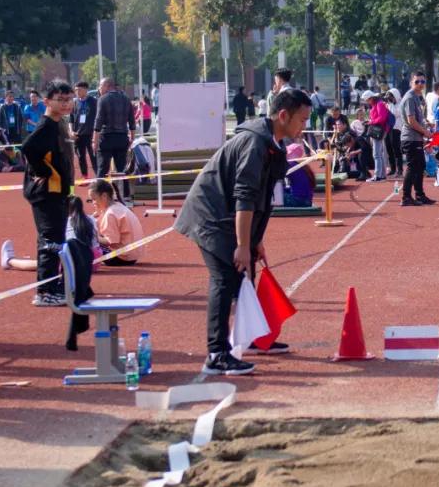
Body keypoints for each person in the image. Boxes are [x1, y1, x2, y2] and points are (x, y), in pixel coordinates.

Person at [175, 87, 311, 375]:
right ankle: (216, 353)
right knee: (224, 278)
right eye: (302, 120)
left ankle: (251, 338)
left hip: (226, 214)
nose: (305, 126)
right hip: (209, 216)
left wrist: (255, 240)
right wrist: (241, 244)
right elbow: (245, 196)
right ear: (283, 115)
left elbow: (263, 197)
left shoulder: (274, 145)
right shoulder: (254, 143)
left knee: (245, 274)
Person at [20, 80, 75, 307]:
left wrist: (68, 189)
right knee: (50, 241)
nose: (66, 104)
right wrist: (43, 171)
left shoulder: (59, 123)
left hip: (58, 191)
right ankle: (45, 291)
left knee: (56, 240)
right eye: (60, 100)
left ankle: (55, 285)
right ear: (47, 101)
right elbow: (28, 148)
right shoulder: (46, 126)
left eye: (69, 99)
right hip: (46, 193)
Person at [1, 196, 100, 271]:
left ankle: (9, 261)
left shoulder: (63, 222)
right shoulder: (91, 219)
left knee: (41, 263)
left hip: (71, 264)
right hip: (93, 263)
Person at [93, 78, 136, 202]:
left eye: (100, 86)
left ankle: (98, 194)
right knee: (122, 169)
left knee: (102, 168)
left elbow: (98, 122)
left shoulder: (103, 99)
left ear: (107, 86)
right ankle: (125, 195)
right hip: (122, 137)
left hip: (106, 138)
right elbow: (132, 121)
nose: (99, 89)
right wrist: (132, 137)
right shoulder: (126, 99)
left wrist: (94, 141)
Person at [398, 71, 436, 206]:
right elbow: (411, 121)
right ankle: (406, 197)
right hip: (411, 138)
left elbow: (417, 119)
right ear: (411, 83)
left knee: (420, 167)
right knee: (412, 167)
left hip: (416, 138)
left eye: (422, 81)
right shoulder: (410, 98)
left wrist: (426, 124)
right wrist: (425, 132)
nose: (420, 84)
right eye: (417, 81)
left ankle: (420, 195)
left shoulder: (416, 97)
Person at [88, 179, 146, 265]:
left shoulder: (110, 214)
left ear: (104, 196)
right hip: (133, 254)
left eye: (94, 199)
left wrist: (92, 236)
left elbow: (109, 241)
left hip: (122, 257)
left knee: (87, 241)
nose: (93, 203)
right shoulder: (118, 206)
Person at [71, 81, 98, 177]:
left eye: (79, 90)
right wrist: (71, 131)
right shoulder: (74, 102)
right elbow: (71, 118)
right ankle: (85, 177)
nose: (77, 92)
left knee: (94, 157)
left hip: (91, 134)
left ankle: (98, 178)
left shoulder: (94, 102)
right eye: (76, 90)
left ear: (86, 90)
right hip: (78, 135)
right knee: (80, 157)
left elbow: (98, 118)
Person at [365, 91, 389, 181]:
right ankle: (382, 174)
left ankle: (378, 175)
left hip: (378, 130)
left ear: (371, 98)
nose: (367, 102)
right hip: (377, 129)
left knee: (376, 154)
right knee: (378, 153)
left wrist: (371, 122)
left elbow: (382, 118)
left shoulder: (379, 104)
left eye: (367, 100)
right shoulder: (377, 104)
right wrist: (370, 121)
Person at [384, 88, 403, 177]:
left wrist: (390, 104)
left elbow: (395, 113)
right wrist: (388, 104)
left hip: (396, 129)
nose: (390, 99)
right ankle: (392, 168)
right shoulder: (389, 104)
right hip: (388, 128)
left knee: (396, 150)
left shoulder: (401, 104)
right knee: (389, 149)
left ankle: (400, 170)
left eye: (391, 97)